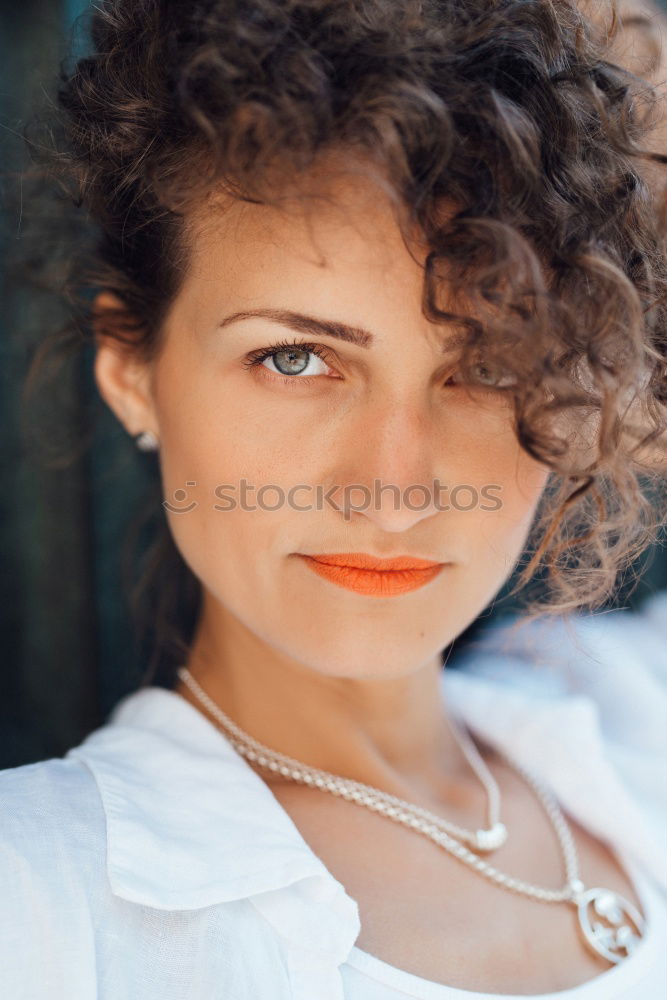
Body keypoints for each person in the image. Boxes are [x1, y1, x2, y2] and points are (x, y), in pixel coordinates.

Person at [1, 0, 667, 997]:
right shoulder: (40, 892)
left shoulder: (628, 712)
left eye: (486, 361)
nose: (393, 493)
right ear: (132, 365)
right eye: (296, 357)